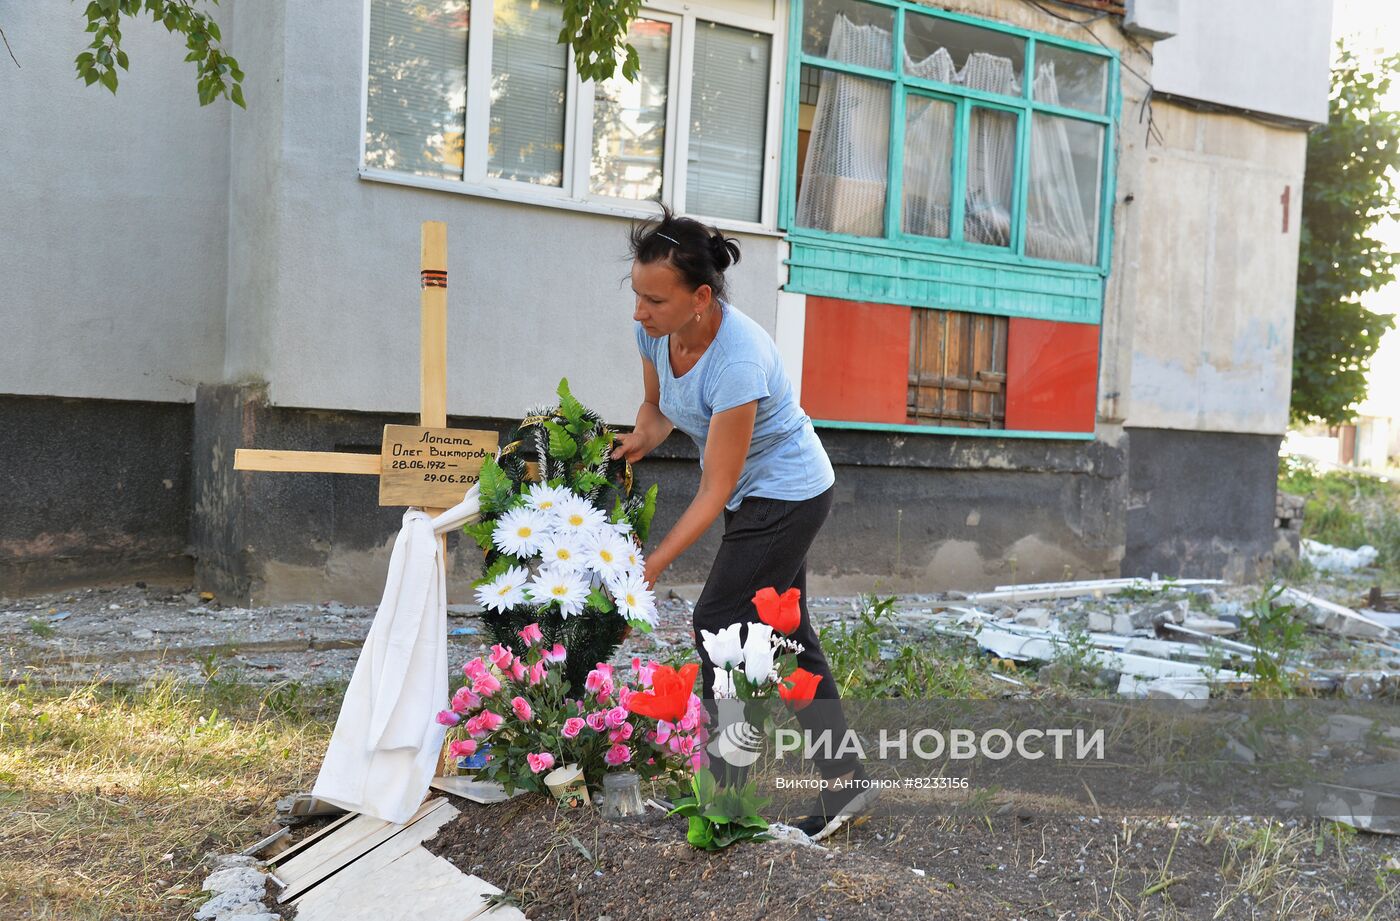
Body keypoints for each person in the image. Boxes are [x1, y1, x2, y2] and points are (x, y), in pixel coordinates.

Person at [610, 205, 874, 840]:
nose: (640, 311)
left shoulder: (739, 360)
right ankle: (846, 783)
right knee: (784, 636)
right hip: (751, 495)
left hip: (788, 494)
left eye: (655, 299)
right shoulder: (655, 332)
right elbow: (657, 406)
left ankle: (724, 796)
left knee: (720, 621)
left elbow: (714, 488)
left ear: (700, 297)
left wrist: (648, 566)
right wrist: (637, 440)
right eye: (637, 294)